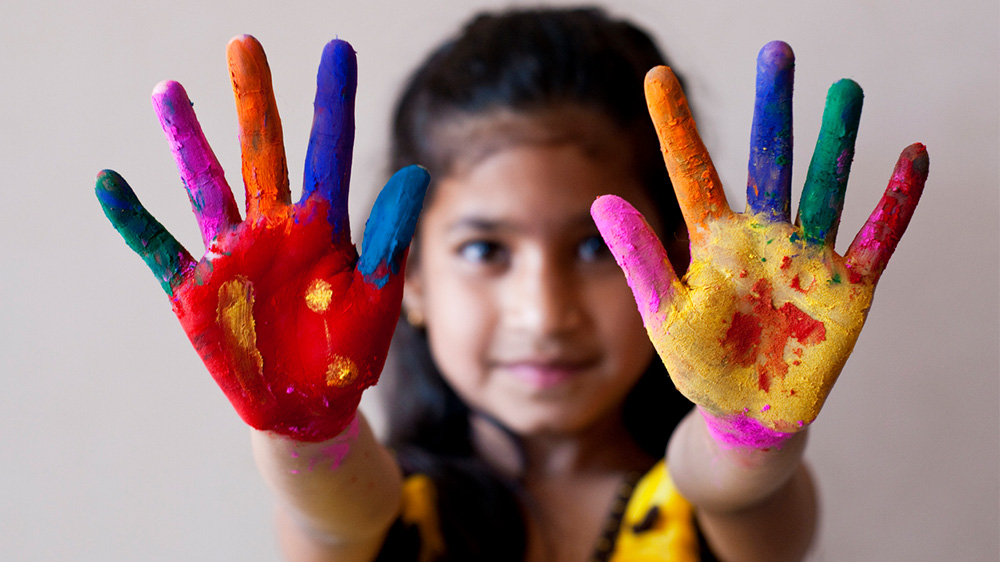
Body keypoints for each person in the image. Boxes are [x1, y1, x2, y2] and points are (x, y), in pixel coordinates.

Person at [95, 6, 928, 562]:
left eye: (598, 250)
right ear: (407, 277)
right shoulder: (384, 512)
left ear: (680, 270)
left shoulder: (714, 508)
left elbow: (732, 481)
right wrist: (304, 427)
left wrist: (749, 427)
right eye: (486, 250)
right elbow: (331, 508)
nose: (544, 312)